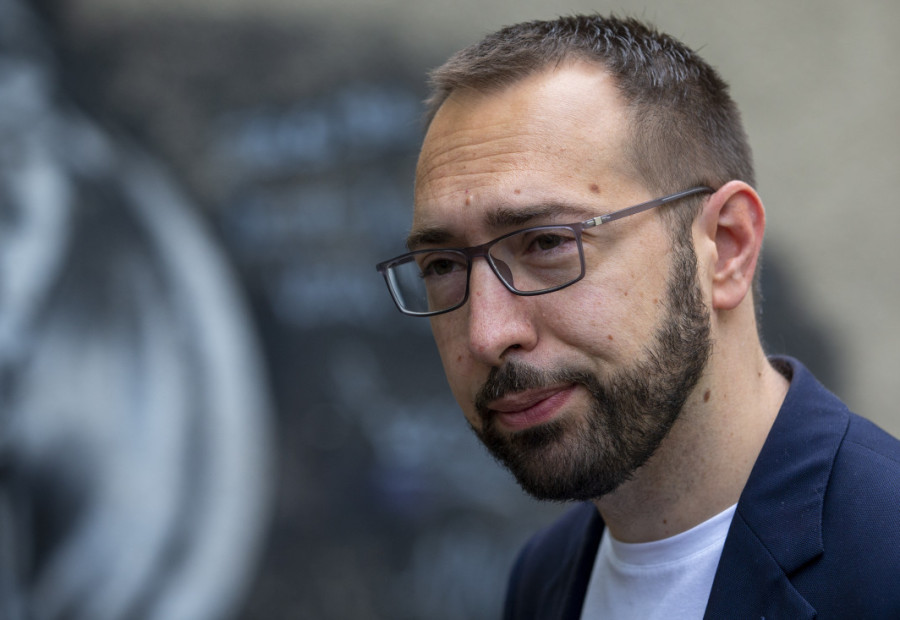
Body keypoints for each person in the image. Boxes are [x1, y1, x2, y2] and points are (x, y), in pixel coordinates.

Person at [376, 14, 900, 619]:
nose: (487, 334)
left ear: (726, 247)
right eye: (442, 265)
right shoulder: (544, 578)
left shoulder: (883, 560)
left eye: (547, 243)